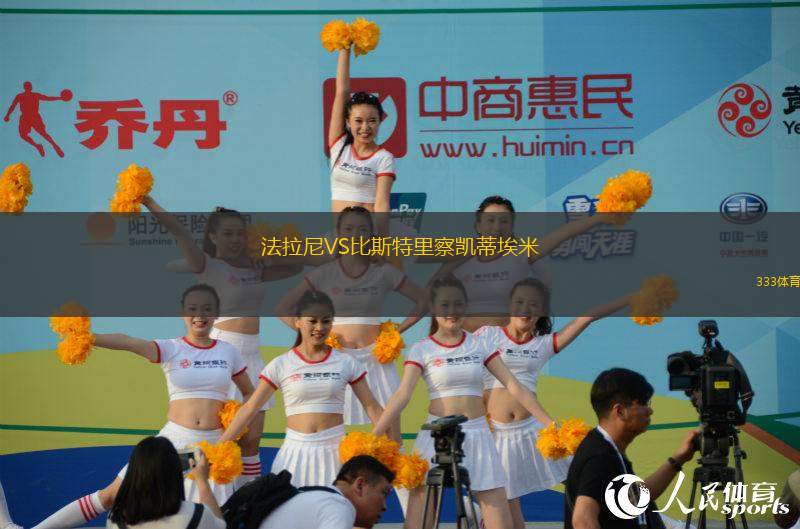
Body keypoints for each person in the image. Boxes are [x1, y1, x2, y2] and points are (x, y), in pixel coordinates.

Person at [33, 284, 254, 529]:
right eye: (193, 309)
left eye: (207, 309)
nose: (199, 315)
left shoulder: (228, 351)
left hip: (214, 446)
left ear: (216, 313)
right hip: (173, 444)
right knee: (111, 495)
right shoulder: (172, 348)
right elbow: (128, 342)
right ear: (183, 312)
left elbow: (249, 395)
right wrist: (90, 338)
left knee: (213, 518)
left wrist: (229, 434)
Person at [144, 197, 302, 486]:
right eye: (228, 233)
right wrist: (147, 200)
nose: (235, 240)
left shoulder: (255, 268)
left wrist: (265, 251)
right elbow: (179, 231)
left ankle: (245, 503)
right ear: (214, 237)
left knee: (251, 441)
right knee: (215, 438)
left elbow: (296, 265)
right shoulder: (207, 265)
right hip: (220, 356)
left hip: (251, 358)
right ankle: (174, 486)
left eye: (241, 234)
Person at [372, 275, 553, 529]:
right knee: (418, 522)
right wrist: (375, 435)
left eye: (458, 304)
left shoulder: (480, 343)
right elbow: (402, 395)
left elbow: (514, 386)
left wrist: (550, 424)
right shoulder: (422, 349)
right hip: (436, 436)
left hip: (478, 434)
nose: (452, 311)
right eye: (445, 305)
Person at [476, 278, 632, 529]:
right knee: (505, 509)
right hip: (496, 436)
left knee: (589, 476)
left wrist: (632, 298)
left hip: (534, 433)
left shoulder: (543, 344)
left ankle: (647, 517)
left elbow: (588, 316)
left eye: (533, 304)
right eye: (519, 302)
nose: (525, 309)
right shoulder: (487, 335)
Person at [219, 290, 396, 487]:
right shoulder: (281, 364)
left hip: (335, 455)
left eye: (326, 321)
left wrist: (389, 447)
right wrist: (220, 446)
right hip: (293, 455)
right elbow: (250, 408)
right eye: (312, 321)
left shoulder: (346, 362)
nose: (319, 327)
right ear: (297, 321)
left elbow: (373, 408)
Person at [275, 206, 426, 426]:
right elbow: (282, 308)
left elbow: (425, 300)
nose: (355, 235)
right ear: (338, 233)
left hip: (377, 360)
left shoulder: (384, 271)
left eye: (363, 229)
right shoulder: (324, 272)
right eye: (349, 229)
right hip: (336, 361)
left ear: (371, 234)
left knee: (387, 428)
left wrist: (396, 332)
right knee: (334, 427)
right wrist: (314, 334)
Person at [433, 195, 609, 332]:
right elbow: (434, 298)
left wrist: (599, 217)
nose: (497, 227)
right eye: (490, 220)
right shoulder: (458, 259)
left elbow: (564, 233)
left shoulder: (522, 253)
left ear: (511, 226)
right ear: (478, 226)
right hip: (466, 348)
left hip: (508, 347)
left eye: (504, 221)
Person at [565, 368, 699, 529]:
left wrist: (678, 459)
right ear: (620, 411)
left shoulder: (606, 448)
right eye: (643, 403)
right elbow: (583, 520)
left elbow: (634, 498)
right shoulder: (600, 457)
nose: (650, 410)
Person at [328, 47, 395, 216]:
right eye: (358, 121)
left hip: (367, 230)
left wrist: (381, 234)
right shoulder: (339, 145)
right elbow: (341, 92)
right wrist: (345, 48)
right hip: (339, 231)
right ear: (348, 122)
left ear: (380, 121)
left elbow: (382, 204)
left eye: (372, 121)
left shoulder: (383, 158)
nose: (365, 127)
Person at [106, 436, 224, 529]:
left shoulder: (115, 518)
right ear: (175, 472)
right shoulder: (196, 514)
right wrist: (202, 481)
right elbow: (220, 525)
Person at [256, 455, 394, 529]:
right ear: (360, 485)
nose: (384, 507)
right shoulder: (339, 507)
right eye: (384, 493)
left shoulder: (313, 496)